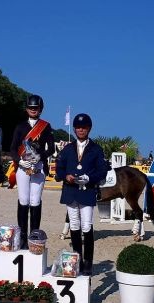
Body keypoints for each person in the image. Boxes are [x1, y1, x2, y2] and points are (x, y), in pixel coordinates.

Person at [55, 113, 108, 276]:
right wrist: (66, 176)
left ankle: (88, 263)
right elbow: (59, 169)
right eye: (78, 127)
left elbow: (102, 171)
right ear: (74, 129)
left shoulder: (96, 149)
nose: (80, 130)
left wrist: (89, 178)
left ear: (89, 129)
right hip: (71, 191)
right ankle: (77, 259)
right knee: (75, 225)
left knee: (86, 226)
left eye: (83, 127)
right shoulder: (68, 149)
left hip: (87, 191)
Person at [10, 94, 55, 248]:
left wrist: (40, 157)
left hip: (38, 167)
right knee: (23, 200)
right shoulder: (20, 126)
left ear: (40, 109)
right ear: (26, 108)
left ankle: (34, 235)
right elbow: (13, 148)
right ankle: (22, 236)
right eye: (30, 107)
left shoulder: (46, 126)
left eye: (36, 108)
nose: (33, 110)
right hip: (23, 168)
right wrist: (19, 160)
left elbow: (52, 148)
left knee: (35, 201)